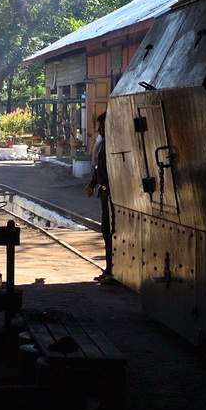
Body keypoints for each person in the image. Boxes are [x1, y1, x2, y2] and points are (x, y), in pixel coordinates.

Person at [84, 110, 118, 284]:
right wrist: (92, 184)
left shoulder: (113, 145)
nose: (98, 131)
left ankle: (112, 270)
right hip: (104, 193)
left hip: (112, 194)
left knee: (111, 232)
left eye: (101, 127)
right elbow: (99, 169)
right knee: (106, 232)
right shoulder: (104, 145)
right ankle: (109, 268)